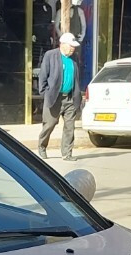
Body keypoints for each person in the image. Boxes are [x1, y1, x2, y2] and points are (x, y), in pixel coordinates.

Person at [36, 32, 83, 161]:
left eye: (74, 46)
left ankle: (67, 153)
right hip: (54, 97)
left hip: (70, 97)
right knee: (49, 125)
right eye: (71, 46)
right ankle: (42, 146)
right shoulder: (51, 55)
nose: (73, 48)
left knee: (70, 127)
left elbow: (77, 77)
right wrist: (45, 93)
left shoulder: (75, 58)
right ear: (62, 44)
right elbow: (43, 76)